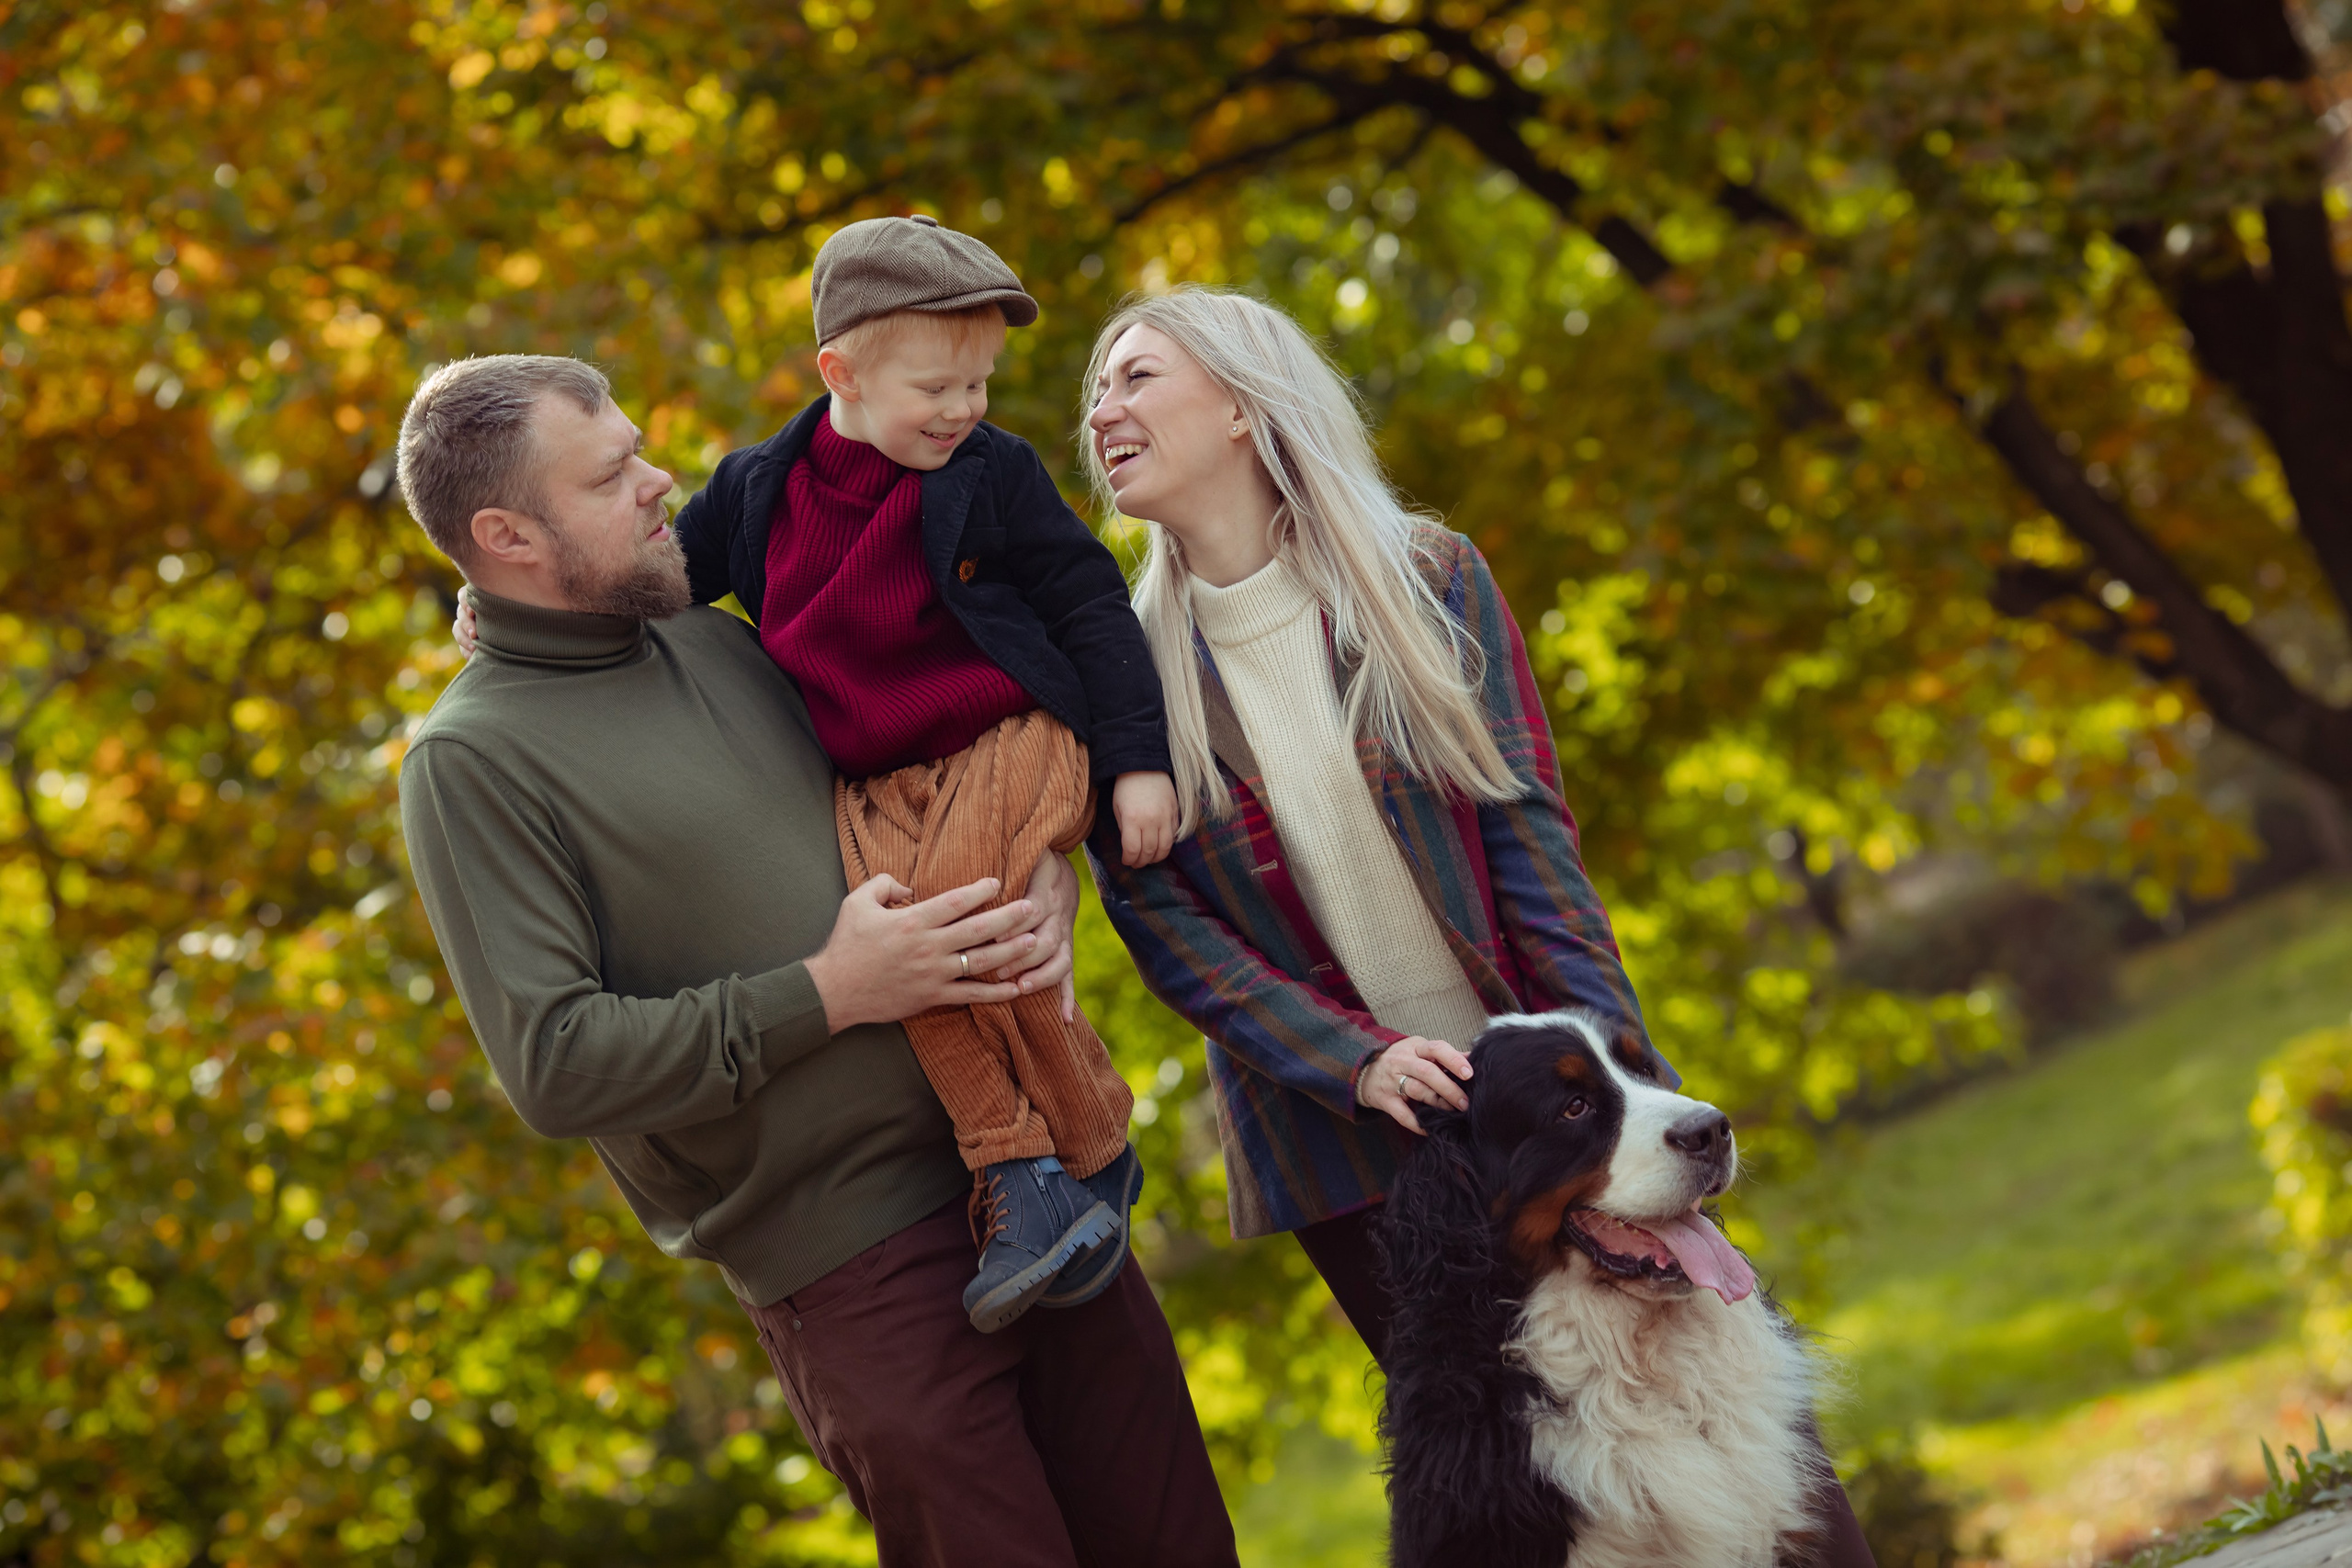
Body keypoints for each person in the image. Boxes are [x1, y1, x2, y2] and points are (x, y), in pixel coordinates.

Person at [1079, 287, 1878, 1563]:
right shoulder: (1113, 670)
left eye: (1134, 378)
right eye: (1097, 394)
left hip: (1553, 1102)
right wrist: (1355, 1056)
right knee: (1507, 1490)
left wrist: (1609, 1058)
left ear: (1239, 402)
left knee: (1739, 1412)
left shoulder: (1428, 577)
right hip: (1343, 1137)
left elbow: (1524, 822)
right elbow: (1162, 924)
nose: (1101, 413)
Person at [398, 353, 1237, 1568]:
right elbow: (556, 1063)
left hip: (1040, 1182)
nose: (658, 480)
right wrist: (833, 990)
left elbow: (929, 773)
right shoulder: (470, 763)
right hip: (854, 1268)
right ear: (505, 534)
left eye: (638, 448)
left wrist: (1039, 871)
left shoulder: (726, 638)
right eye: (613, 471)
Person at [457, 216, 1180, 1332]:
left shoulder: (988, 475)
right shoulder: (761, 490)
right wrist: (496, 621)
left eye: (981, 383)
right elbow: (657, 579)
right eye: (938, 386)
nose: (965, 410)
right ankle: (1058, 1156)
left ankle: (1043, 1159)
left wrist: (1135, 765)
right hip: (885, 781)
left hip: (1006, 736)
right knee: (905, 940)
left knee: (943, 932)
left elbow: (1086, 600)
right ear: (839, 370)